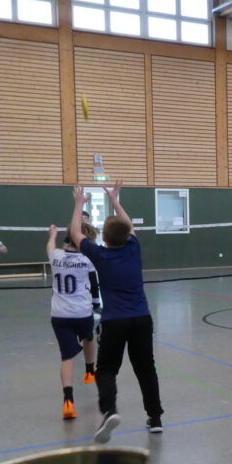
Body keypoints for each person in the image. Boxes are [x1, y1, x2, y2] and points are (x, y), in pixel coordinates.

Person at [70, 182, 164, 443]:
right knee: (146, 369)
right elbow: (128, 224)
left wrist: (79, 203)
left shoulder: (99, 255)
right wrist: (115, 200)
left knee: (106, 369)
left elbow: (75, 232)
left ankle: (110, 410)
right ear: (126, 235)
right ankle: (155, 418)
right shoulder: (134, 247)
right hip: (141, 319)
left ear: (104, 237)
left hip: (115, 322)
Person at [46, 224, 97, 420]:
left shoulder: (56, 256)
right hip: (82, 312)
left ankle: (68, 401)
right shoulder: (88, 259)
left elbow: (50, 246)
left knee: (67, 357)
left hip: (60, 315)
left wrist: (52, 235)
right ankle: (90, 370)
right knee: (89, 337)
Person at [82, 207, 102, 316]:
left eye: (85, 218)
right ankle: (83, 305)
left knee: (94, 284)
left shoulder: (91, 231)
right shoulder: (75, 231)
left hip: (90, 263)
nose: (83, 220)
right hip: (79, 264)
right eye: (81, 218)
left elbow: (94, 244)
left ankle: (96, 305)